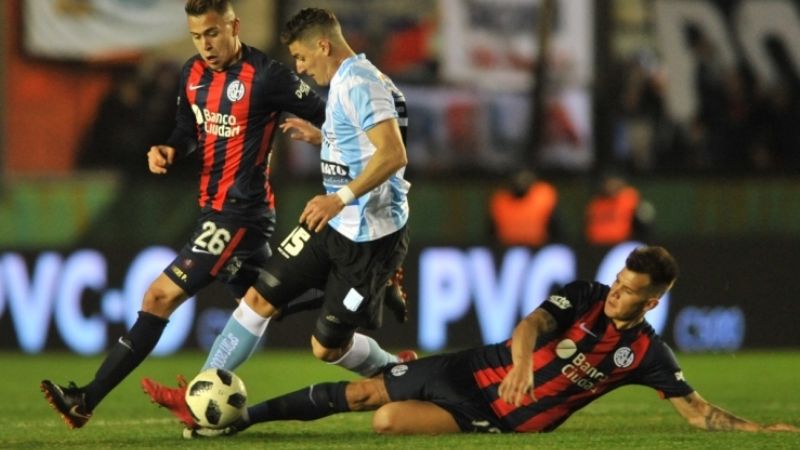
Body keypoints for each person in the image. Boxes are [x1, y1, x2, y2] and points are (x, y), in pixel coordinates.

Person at [40, 0, 405, 430]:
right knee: (262, 301)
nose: (205, 45)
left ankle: (88, 397)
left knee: (159, 297)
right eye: (197, 36)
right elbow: (187, 127)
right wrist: (172, 148)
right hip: (210, 209)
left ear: (233, 26)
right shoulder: (191, 73)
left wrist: (328, 151)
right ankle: (379, 314)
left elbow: (341, 118)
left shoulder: (270, 75)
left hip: (240, 215)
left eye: (212, 33)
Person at [179, 246, 798, 437]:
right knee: (364, 393)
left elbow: (699, 412)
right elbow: (529, 326)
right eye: (618, 282)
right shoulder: (584, 295)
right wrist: (524, 362)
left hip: (496, 414)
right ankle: (239, 421)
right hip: (476, 367)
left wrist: (762, 434)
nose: (615, 293)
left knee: (387, 422)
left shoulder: (646, 355)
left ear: (653, 301)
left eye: (630, 291)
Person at [139, 6, 415, 429]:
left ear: (324, 45)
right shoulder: (348, 79)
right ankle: (199, 401)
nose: (300, 69)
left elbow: (394, 154)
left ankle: (400, 371)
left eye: (303, 59)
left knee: (326, 348)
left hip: (370, 238)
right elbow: (367, 140)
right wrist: (325, 137)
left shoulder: (361, 83)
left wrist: (338, 198)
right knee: (258, 298)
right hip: (330, 225)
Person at [489, 169, 560, 247]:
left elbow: (556, 229)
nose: (522, 182)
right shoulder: (500, 201)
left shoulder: (544, 197)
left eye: (525, 178)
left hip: (540, 247)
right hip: (507, 248)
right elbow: (491, 232)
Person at [584, 174, 654, 245]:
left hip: (622, 244)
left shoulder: (629, 197)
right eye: (609, 183)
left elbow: (644, 221)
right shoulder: (596, 202)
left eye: (615, 182)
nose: (612, 186)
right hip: (596, 245)